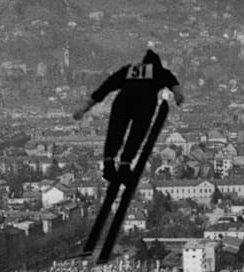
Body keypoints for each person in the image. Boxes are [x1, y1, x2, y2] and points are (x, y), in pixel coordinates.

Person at [72, 48, 185, 183]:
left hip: (122, 102)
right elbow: (176, 88)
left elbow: (105, 88)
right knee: (136, 134)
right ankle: (125, 165)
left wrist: (84, 108)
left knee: (115, 133)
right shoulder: (160, 71)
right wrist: (178, 99)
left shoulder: (129, 71)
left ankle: (109, 166)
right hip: (145, 103)